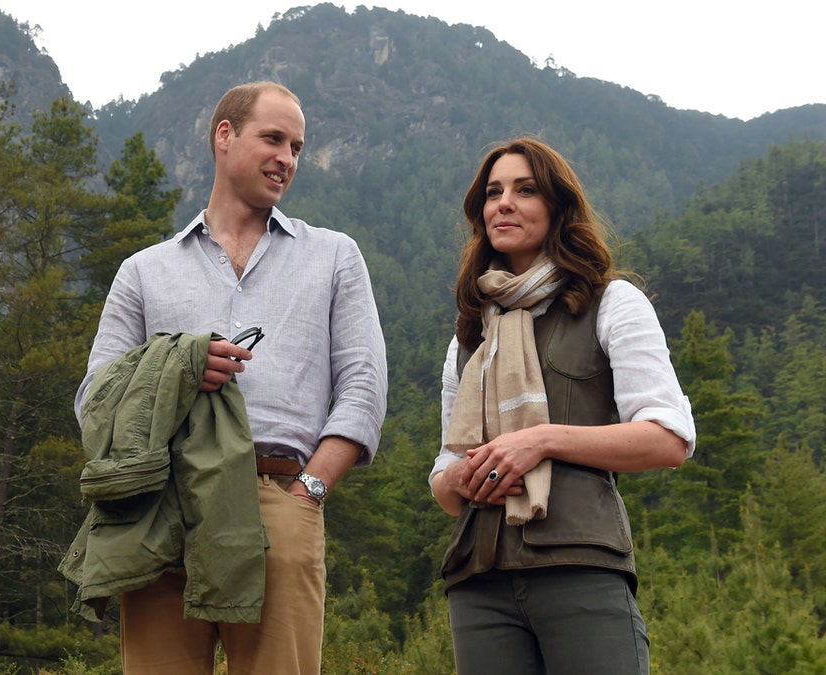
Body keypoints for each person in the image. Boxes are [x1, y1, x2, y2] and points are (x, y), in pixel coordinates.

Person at [71, 81, 388, 674]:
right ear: (225, 135)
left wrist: (309, 493)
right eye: (273, 139)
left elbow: (363, 387)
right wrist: (180, 365)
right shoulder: (143, 272)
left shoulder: (334, 256)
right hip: (161, 510)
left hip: (279, 499)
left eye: (296, 147)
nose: (287, 158)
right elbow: (95, 400)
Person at [429, 137, 696, 674]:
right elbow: (444, 480)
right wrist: (462, 477)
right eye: (493, 192)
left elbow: (668, 437)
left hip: (581, 567)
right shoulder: (469, 337)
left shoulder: (612, 302)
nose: (504, 203)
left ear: (558, 207)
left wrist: (542, 440)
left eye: (525, 190)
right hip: (478, 581)